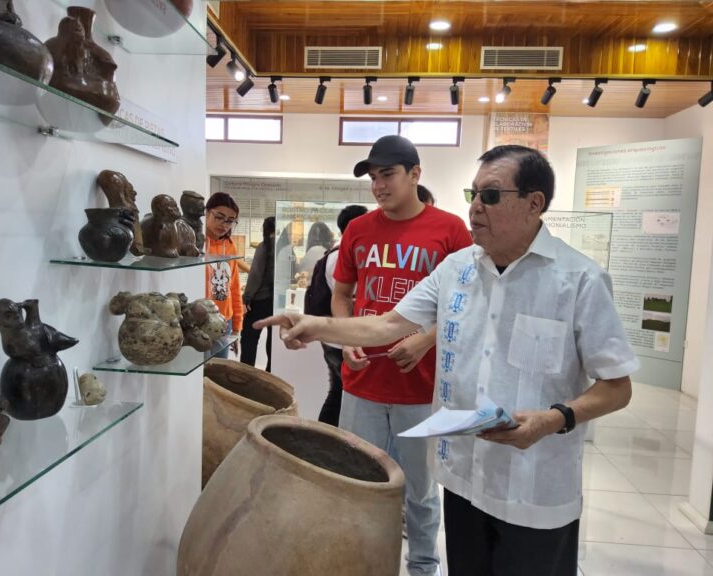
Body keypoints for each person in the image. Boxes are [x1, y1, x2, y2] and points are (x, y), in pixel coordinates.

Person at [256, 145, 638, 576]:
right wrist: (314, 324)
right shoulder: (458, 269)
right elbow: (386, 325)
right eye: (472, 194)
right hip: (464, 480)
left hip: (533, 488)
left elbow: (617, 386)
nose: (475, 208)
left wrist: (555, 418)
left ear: (535, 203)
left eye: (490, 196)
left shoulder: (579, 280)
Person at [334, 135, 472, 576]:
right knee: (359, 481)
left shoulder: (451, 230)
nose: (378, 185)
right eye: (373, 177)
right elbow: (342, 295)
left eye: (387, 174)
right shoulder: (358, 230)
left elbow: (469, 302)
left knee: (421, 489)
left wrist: (427, 338)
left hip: (421, 386)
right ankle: (362, 562)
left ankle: (423, 567)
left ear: (415, 174)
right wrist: (344, 336)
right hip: (362, 382)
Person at [316, 204, 369, 427]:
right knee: (340, 393)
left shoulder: (342, 253)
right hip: (340, 340)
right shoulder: (340, 257)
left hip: (340, 337)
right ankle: (321, 440)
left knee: (338, 392)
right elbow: (342, 296)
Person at [204, 192, 243, 358]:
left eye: (230, 220)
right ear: (207, 213)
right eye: (219, 217)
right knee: (198, 377)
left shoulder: (230, 246)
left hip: (223, 321)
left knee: (218, 374)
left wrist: (237, 327)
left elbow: (233, 287)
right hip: (200, 319)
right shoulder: (196, 243)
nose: (224, 224)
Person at [240, 217, 276, 371]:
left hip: (260, 301)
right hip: (275, 303)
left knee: (249, 339)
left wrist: (247, 297)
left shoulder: (264, 247)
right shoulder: (286, 248)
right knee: (272, 342)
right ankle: (270, 374)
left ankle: (246, 374)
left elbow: (255, 275)